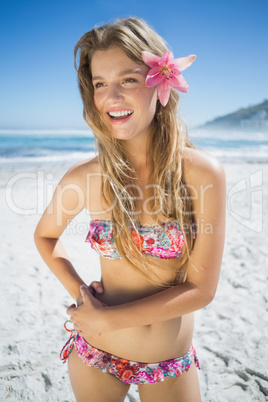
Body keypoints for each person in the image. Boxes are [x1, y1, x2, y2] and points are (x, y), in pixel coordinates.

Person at [34, 17, 226, 402]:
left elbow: (201, 290)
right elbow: (45, 235)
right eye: (100, 84)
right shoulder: (86, 177)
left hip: (167, 362)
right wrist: (81, 293)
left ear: (162, 83)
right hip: (95, 354)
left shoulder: (202, 173)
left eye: (128, 80)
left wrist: (106, 318)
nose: (112, 97)